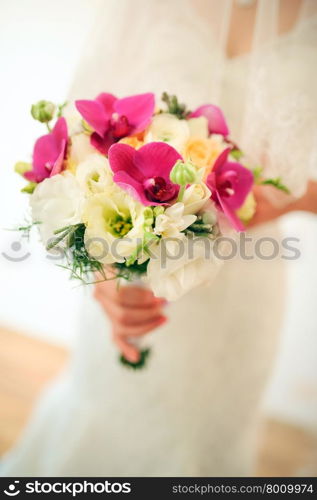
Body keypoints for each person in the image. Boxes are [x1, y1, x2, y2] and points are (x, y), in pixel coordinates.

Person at [2, 0, 316, 476]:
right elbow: (82, 147)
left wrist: (283, 198)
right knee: (108, 418)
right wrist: (104, 272)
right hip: (132, 268)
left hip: (241, 286)